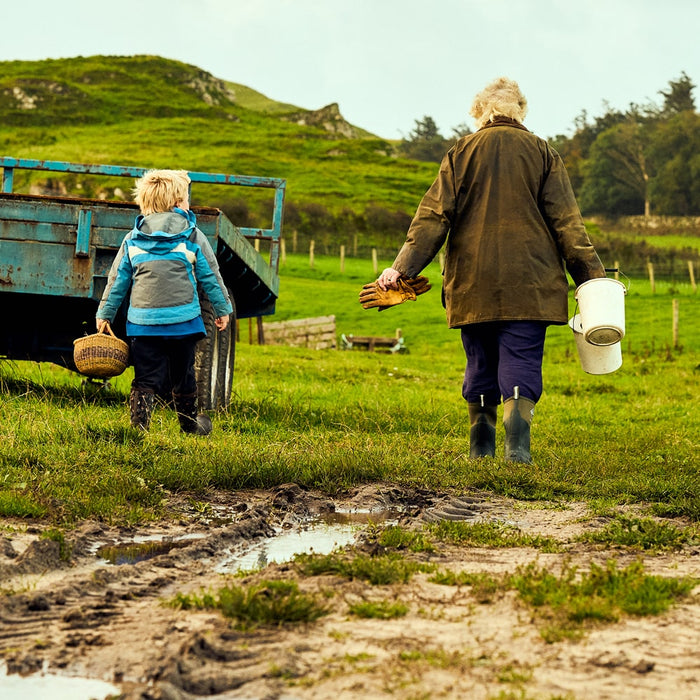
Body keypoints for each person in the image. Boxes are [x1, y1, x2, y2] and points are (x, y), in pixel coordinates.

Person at [378, 77, 606, 464]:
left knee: (480, 361)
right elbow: (568, 224)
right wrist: (593, 281)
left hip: (471, 283)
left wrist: (400, 270)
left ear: (481, 111)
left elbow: (432, 219)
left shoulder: (460, 152)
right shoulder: (544, 153)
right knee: (521, 358)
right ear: (520, 110)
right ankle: (517, 454)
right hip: (531, 285)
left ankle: (479, 452)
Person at [96, 169, 233, 435]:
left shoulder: (132, 239)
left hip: (143, 325)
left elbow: (117, 281)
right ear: (178, 203)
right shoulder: (192, 236)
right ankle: (190, 425)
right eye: (186, 199)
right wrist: (223, 309)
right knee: (184, 375)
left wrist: (105, 313)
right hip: (184, 323)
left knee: (146, 377)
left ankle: (139, 428)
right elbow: (211, 276)